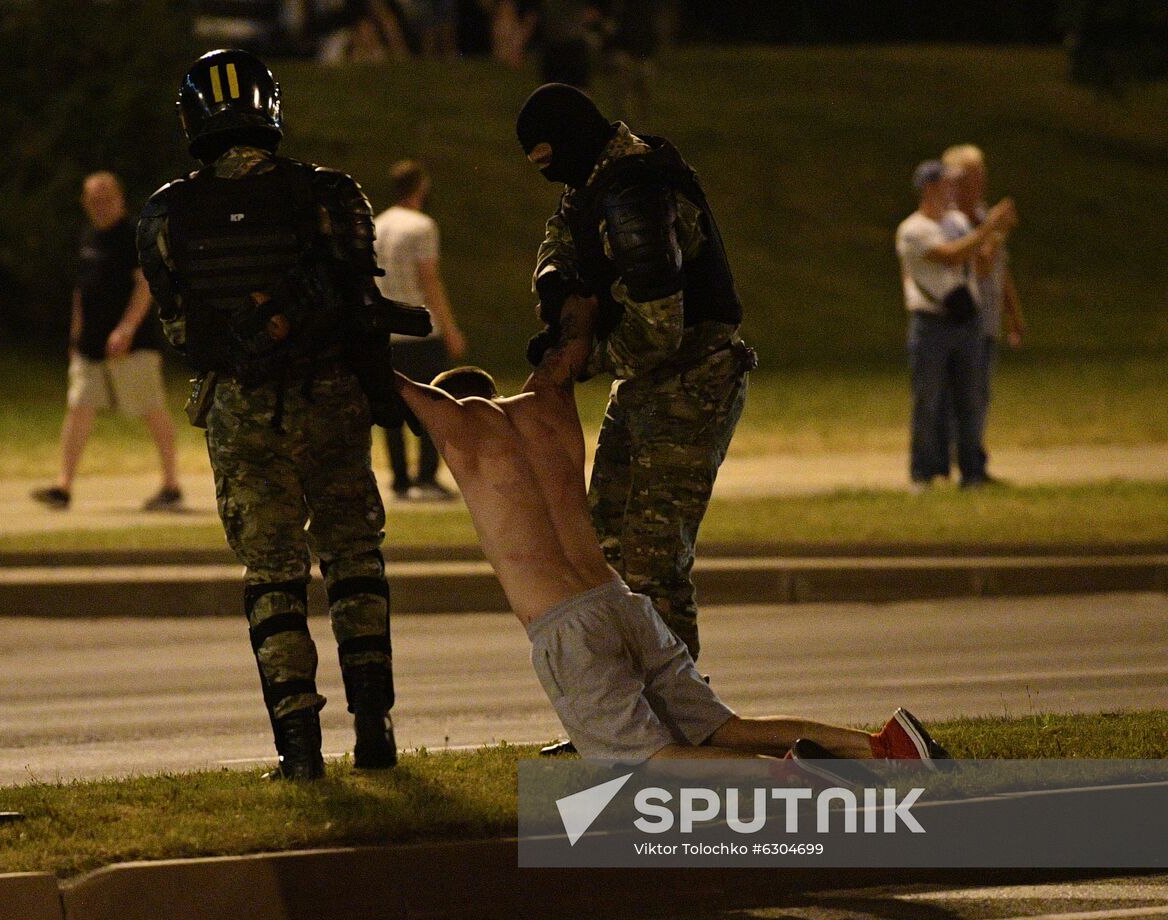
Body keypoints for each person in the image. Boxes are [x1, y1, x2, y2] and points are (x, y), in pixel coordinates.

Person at [395, 331, 948, 765]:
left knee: (643, 764)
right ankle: (885, 748)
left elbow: (382, 377)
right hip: (622, 600)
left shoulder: (458, 429)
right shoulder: (547, 405)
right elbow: (573, 343)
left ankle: (797, 781)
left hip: (566, 627)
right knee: (722, 730)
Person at [137, 50, 429, 779]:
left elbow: (180, 332)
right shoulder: (329, 195)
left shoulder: (166, 213)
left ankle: (299, 749)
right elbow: (365, 312)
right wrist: (380, 395)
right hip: (328, 398)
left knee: (272, 574)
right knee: (355, 559)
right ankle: (375, 728)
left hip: (241, 412)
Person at [517, 83, 754, 666]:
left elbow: (658, 329)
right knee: (605, 552)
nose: (552, 177)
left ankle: (681, 722)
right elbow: (561, 239)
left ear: (571, 142)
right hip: (647, 384)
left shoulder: (636, 189)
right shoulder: (593, 183)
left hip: (691, 382)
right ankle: (624, 718)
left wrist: (579, 361)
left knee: (653, 563)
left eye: (551, 161)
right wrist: (558, 291)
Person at [31, 172, 183, 512]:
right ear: (85, 204)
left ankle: (171, 483)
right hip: (91, 344)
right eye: (93, 200)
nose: (100, 206)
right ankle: (63, 486)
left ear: (120, 198)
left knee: (150, 409)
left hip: (133, 344)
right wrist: (76, 335)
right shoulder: (88, 237)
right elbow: (81, 292)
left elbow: (145, 286)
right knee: (79, 408)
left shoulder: (133, 235)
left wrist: (127, 328)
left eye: (106, 198)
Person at [896, 160, 1017, 491]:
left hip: (966, 322)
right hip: (931, 323)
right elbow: (949, 256)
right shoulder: (913, 229)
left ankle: (972, 472)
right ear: (930, 188)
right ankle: (923, 473)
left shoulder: (958, 221)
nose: (954, 190)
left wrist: (996, 235)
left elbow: (980, 263)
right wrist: (988, 228)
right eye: (947, 185)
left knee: (970, 399)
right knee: (928, 399)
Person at [373, 160, 469, 500]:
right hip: (421, 330)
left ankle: (400, 479)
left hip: (386, 329)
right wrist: (450, 328)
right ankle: (426, 476)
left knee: (392, 405)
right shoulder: (422, 226)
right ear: (420, 187)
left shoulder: (376, 225)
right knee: (432, 403)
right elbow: (429, 280)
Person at [936, 143, 1027, 482]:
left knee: (979, 398)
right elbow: (982, 265)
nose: (979, 185)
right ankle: (966, 466)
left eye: (980, 177)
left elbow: (1000, 274)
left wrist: (1014, 317)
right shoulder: (952, 223)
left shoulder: (982, 215)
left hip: (986, 323)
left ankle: (970, 462)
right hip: (962, 324)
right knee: (964, 400)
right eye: (972, 178)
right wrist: (998, 230)